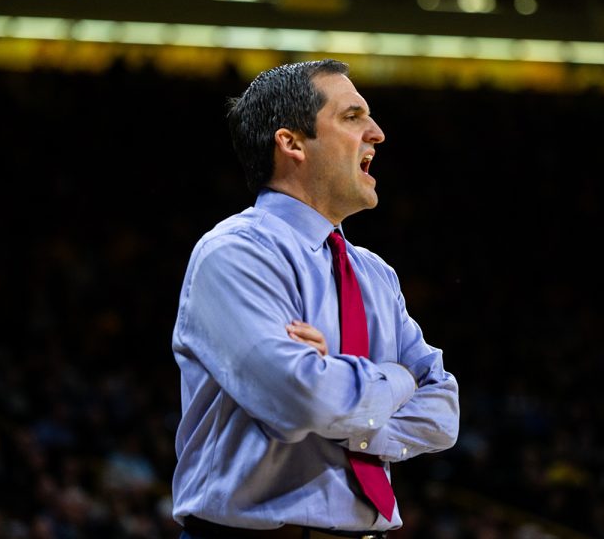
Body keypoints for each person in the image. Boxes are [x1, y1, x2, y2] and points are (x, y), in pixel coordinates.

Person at [171, 58, 460, 539]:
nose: (378, 133)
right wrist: (398, 380)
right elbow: (298, 399)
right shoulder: (234, 253)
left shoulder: (375, 274)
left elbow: (444, 411)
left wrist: (340, 397)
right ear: (291, 143)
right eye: (352, 117)